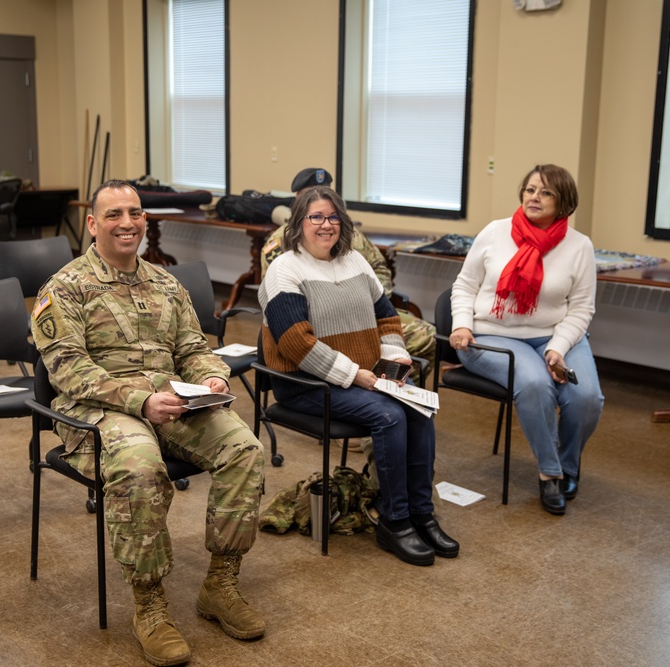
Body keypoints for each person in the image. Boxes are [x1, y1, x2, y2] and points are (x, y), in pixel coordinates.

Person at [31, 180, 266, 666]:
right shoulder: (64, 288)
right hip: (98, 408)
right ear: (93, 224)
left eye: (135, 213)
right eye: (113, 214)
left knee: (243, 448)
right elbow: (69, 371)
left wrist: (212, 380)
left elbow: (193, 350)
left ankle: (220, 586)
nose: (127, 223)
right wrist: (140, 401)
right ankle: (150, 606)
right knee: (139, 467)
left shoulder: (166, 283)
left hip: (170, 399)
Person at [259, 185, 458, 567]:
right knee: (389, 415)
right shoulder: (284, 270)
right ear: (299, 223)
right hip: (307, 383)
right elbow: (297, 345)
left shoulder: (354, 261)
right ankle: (394, 520)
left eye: (333, 217)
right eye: (315, 217)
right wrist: (356, 376)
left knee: (419, 409)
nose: (326, 225)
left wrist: (396, 361)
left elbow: (387, 317)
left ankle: (422, 513)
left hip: (364, 374)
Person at [448, 164, 604, 516]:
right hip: (492, 335)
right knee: (535, 384)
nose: (534, 197)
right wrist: (462, 324)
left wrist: (556, 348)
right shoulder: (495, 232)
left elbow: (581, 309)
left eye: (546, 192)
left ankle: (569, 466)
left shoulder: (579, 246)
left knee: (586, 397)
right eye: (530, 189)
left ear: (563, 202)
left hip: (557, 335)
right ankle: (550, 474)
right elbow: (464, 286)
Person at [262, 168, 436, 381]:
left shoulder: (347, 233)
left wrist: (365, 297)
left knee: (427, 336)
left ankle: (400, 383)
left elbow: (380, 268)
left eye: (325, 192)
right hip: (321, 319)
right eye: (311, 195)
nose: (326, 223)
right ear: (298, 199)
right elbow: (281, 308)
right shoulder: (283, 243)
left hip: (364, 310)